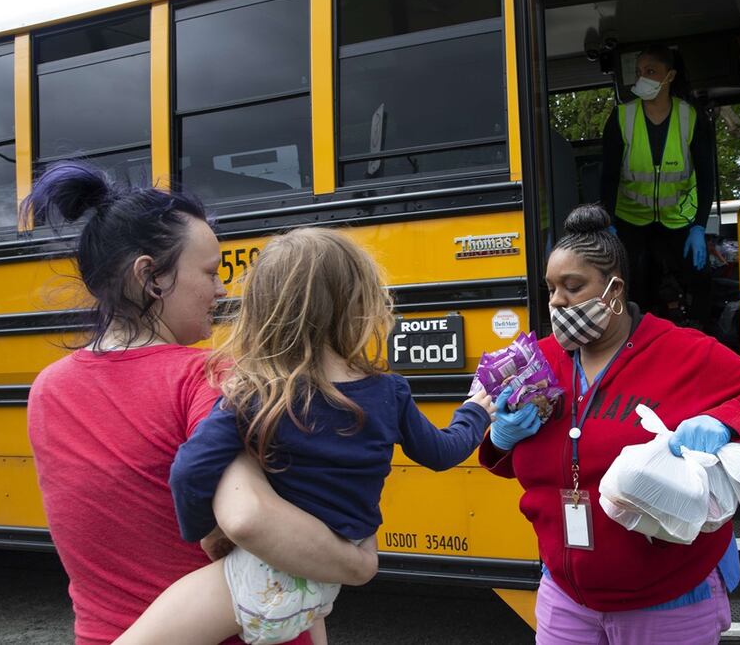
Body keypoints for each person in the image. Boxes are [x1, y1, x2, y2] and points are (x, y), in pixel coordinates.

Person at [24, 162, 377, 645]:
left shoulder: (47, 389)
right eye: (210, 272)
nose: (222, 289)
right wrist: (358, 564)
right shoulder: (207, 375)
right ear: (151, 277)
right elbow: (251, 519)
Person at [116, 227, 496, 645]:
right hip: (326, 578)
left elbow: (190, 471)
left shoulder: (254, 394)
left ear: (263, 310)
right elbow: (442, 452)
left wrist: (204, 535)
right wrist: (475, 413)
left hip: (262, 577)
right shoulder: (390, 392)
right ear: (358, 306)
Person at [480, 205, 740, 644]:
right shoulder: (537, 361)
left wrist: (726, 423)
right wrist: (501, 437)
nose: (557, 301)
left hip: (668, 603)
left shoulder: (684, 353)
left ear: (614, 290)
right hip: (565, 598)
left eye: (573, 286)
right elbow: (514, 462)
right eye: (551, 288)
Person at [600, 43, 715, 326]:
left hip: (678, 220)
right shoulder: (621, 118)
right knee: (634, 285)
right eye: (640, 72)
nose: (643, 78)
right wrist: (609, 222)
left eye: (651, 71)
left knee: (700, 281)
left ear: (670, 76)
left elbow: (705, 176)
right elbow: (609, 177)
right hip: (630, 220)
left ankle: (701, 341)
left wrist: (699, 226)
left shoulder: (691, 118)